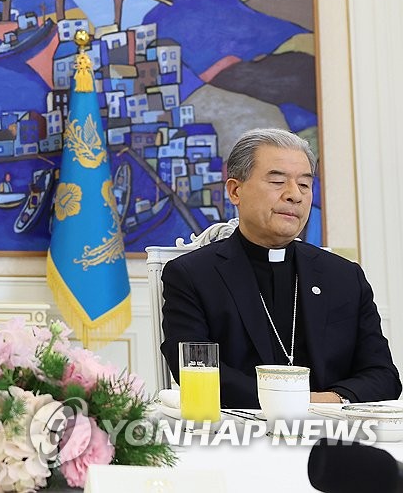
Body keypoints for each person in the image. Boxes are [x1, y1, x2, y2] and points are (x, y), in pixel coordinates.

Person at [161, 128, 400, 407]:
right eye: (277, 181)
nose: (294, 195)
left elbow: (383, 375)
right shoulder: (192, 275)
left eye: (305, 185)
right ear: (235, 191)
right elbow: (195, 370)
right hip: (237, 429)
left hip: (333, 427)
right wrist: (293, 403)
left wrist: (328, 401)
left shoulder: (344, 276)